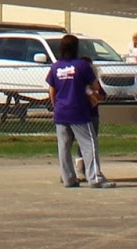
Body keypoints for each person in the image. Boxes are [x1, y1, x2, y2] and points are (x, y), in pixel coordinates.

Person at [45, 34, 113, 188]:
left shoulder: (56, 67)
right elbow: (95, 86)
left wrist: (57, 106)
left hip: (61, 112)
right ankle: (95, 178)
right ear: (76, 48)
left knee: (64, 147)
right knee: (90, 145)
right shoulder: (82, 66)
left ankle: (68, 178)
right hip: (79, 112)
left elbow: (52, 90)